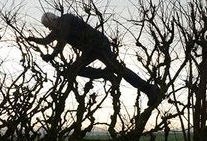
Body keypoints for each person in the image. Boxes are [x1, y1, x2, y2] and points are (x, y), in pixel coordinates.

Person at [27, 12, 159, 104]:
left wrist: (51, 55)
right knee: (74, 70)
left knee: (119, 69)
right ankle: (105, 73)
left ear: (52, 20)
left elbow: (62, 41)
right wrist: (32, 39)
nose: (47, 28)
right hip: (90, 50)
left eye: (47, 25)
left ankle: (149, 89)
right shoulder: (58, 29)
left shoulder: (66, 19)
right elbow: (46, 40)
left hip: (99, 44)